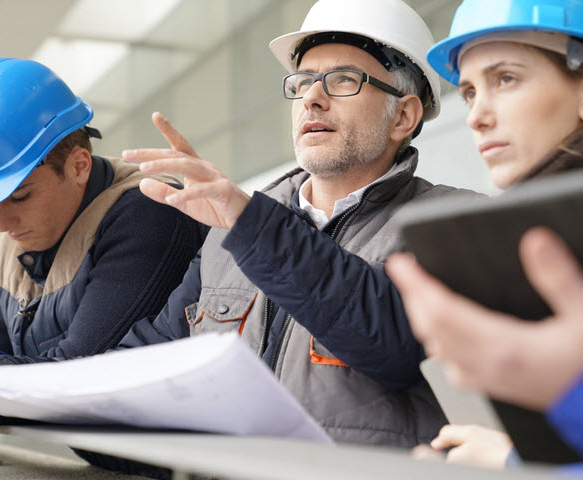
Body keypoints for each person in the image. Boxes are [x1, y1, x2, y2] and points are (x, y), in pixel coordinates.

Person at [117, 0, 477, 448]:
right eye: (303, 81)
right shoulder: (227, 235)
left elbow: (396, 346)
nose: (312, 97)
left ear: (403, 116)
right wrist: (11, 386)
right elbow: (148, 357)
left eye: (343, 80)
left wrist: (250, 223)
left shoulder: (455, 224)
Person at [385, 0, 583, 468]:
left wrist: (514, 460)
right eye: (471, 91)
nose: (475, 116)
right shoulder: (543, 229)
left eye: (506, 79)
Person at [0, 58, 204, 365]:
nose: (3, 225)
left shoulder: (149, 213)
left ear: (78, 166)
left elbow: (82, 369)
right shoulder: (12, 242)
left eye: (20, 197)